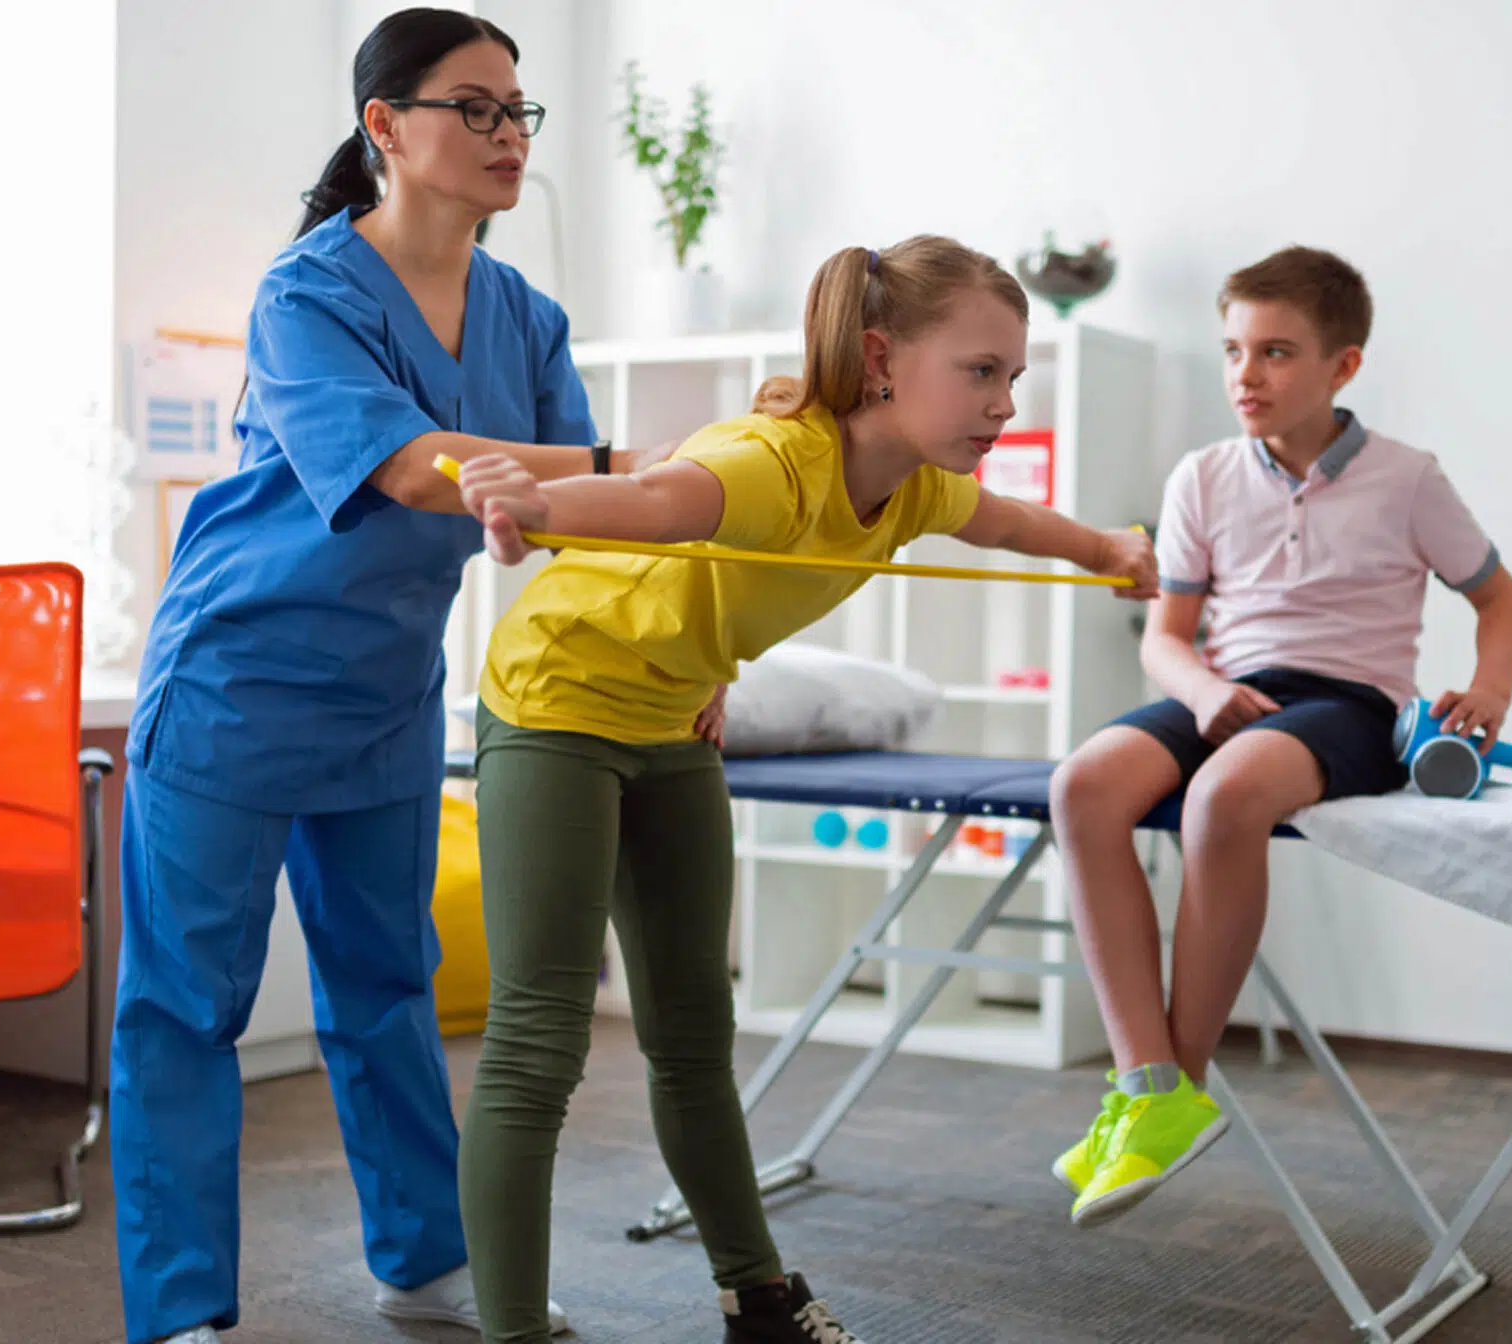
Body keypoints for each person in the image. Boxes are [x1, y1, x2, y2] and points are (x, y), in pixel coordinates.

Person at [450, 234, 1160, 1343]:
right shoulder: (769, 463)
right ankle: (513, 1332)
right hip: (554, 702)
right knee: (541, 1037)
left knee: (692, 1032)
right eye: (981, 372)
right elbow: (651, 500)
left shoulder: (917, 489)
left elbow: (1018, 524)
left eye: (1013, 377)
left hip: (673, 715)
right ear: (881, 356)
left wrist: (1112, 548)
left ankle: (756, 1296)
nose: (1003, 403)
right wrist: (526, 511)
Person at [110, 9, 660, 1341]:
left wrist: (663, 642)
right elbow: (414, 466)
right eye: (474, 107)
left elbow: (567, 522)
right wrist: (623, 470)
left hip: (384, 700)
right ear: (386, 129)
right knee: (189, 1005)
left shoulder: (526, 318)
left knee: (389, 988)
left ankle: (423, 1261)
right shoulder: (306, 293)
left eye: (519, 112)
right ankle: (181, 1310)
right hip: (236, 680)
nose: (508, 135)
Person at [1045, 245, 1512, 1228]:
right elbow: (1166, 640)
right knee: (1082, 786)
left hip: (1349, 704)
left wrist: (1488, 689)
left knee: (1225, 796)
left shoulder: (1408, 480)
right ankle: (1153, 1090)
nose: (1244, 375)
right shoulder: (1204, 476)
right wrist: (1205, 689)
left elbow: (1499, 599)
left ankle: (1164, 1096)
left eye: (1274, 352)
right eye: (1232, 351)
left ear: (1341, 366)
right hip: (1225, 690)